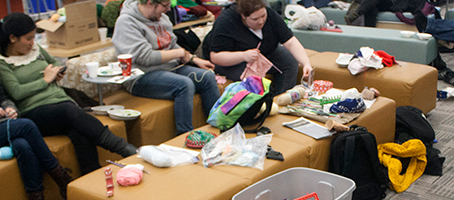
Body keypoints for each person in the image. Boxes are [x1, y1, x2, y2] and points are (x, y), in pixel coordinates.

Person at [0, 13, 137, 175]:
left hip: (60, 103)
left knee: (79, 132)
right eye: (28, 39)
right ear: (13, 38)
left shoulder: (36, 49)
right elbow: (16, 92)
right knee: (70, 111)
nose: (32, 43)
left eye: (33, 38)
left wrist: (57, 72)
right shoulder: (3, 62)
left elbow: (55, 63)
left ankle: (92, 176)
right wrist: (46, 80)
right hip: (34, 111)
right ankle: (125, 148)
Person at [112, 0, 221, 134]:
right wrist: (180, 53)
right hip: (141, 75)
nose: (168, 9)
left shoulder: (161, 17)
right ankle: (186, 136)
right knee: (184, 84)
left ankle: (220, 130)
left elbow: (172, 44)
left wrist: (194, 59)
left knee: (207, 76)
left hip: (169, 68)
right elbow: (145, 57)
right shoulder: (126, 22)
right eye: (165, 5)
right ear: (150, 3)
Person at [0, 84, 73, 200]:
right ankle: (62, 179)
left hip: (4, 124)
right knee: (27, 126)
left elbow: (3, 98)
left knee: (22, 145)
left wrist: (10, 109)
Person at [202, 0, 313, 94]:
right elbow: (215, 57)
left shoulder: (270, 15)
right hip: (232, 59)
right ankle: (258, 109)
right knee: (252, 76)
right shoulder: (226, 22)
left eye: (263, 16)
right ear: (243, 17)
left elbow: (290, 42)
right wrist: (243, 55)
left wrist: (306, 63)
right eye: (255, 19)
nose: (261, 21)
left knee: (290, 62)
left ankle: (281, 100)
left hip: (263, 50)